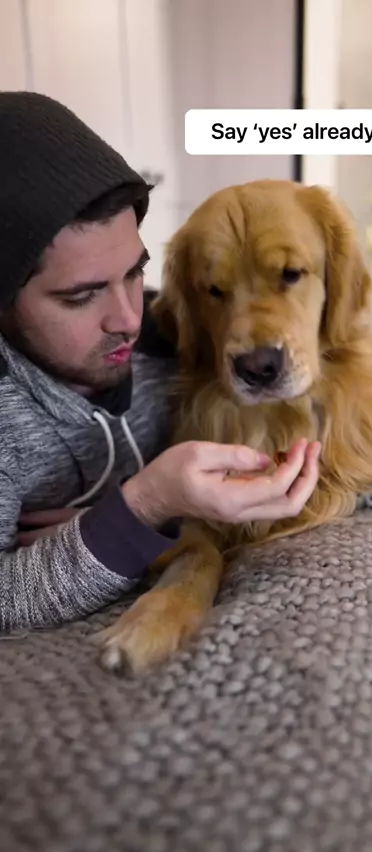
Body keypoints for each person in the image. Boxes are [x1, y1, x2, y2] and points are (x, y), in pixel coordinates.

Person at [0, 91, 321, 634]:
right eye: (81, 296)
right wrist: (145, 506)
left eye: (134, 273)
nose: (130, 318)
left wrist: (135, 519)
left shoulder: (175, 331)